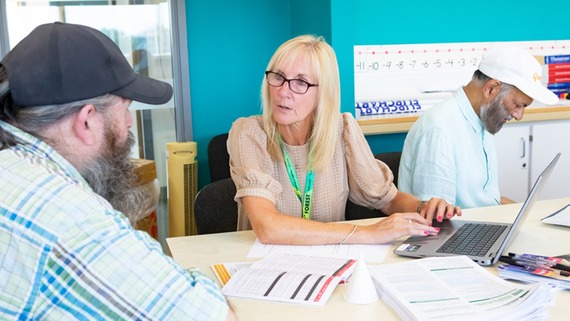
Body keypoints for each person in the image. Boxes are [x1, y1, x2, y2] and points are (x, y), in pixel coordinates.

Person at [0, 22, 236, 321]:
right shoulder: (70, 218)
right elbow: (209, 316)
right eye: (125, 109)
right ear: (86, 121)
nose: (127, 122)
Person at [227, 34, 461, 246]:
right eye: (278, 76)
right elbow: (268, 228)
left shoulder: (343, 129)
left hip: (331, 263)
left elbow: (387, 199)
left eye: (300, 82)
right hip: (262, 265)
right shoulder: (248, 133)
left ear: (323, 93)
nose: (283, 91)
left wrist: (425, 208)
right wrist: (367, 233)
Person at [398, 45, 559, 210]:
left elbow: (482, 199)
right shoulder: (439, 129)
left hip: (479, 226)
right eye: (517, 105)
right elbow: (436, 218)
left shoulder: (482, 116)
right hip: (457, 232)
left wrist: (524, 211)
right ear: (490, 89)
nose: (519, 115)